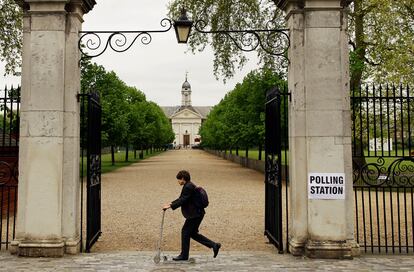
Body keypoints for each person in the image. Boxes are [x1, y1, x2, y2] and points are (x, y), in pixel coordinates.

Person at [163, 170, 221, 261]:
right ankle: (214, 245)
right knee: (192, 233)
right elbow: (182, 198)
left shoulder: (188, 186)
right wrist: (171, 203)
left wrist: (170, 206)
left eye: (178, 179)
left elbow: (183, 200)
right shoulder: (189, 185)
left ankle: (184, 255)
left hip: (195, 214)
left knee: (185, 232)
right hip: (198, 213)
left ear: (183, 179)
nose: (178, 181)